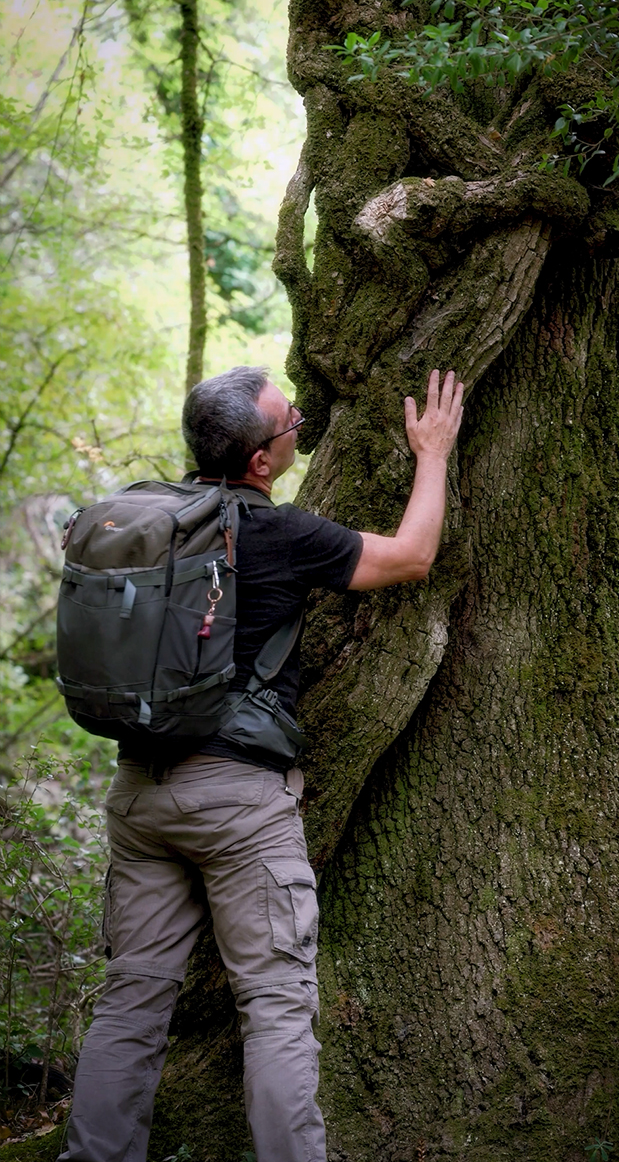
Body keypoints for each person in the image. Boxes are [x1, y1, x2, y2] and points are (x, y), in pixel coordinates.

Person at [58, 365, 464, 1162]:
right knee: (276, 1004)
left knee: (133, 999)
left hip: (139, 792)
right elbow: (412, 557)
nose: (301, 422)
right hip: (238, 803)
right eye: (290, 422)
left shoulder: (149, 519)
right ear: (259, 462)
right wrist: (434, 452)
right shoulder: (280, 533)